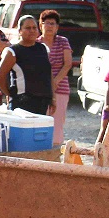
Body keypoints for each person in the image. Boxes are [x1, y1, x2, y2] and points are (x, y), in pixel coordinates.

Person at [0, 16, 53, 116]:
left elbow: (48, 74)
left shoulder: (43, 49)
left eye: (34, 28)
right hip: (22, 104)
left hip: (42, 102)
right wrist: (10, 94)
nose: (31, 31)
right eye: (27, 28)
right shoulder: (13, 51)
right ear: (20, 31)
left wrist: (53, 97)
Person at [39, 9, 73, 146]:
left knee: (57, 123)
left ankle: (55, 152)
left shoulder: (63, 42)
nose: (49, 27)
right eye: (46, 23)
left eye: (53, 24)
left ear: (57, 27)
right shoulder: (36, 43)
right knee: (41, 121)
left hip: (60, 88)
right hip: (40, 89)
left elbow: (68, 64)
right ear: (40, 25)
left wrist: (54, 82)